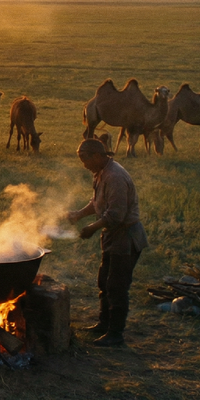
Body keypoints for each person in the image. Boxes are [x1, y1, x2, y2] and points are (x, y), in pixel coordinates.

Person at [66, 137, 148, 347]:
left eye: (85, 159)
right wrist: (78, 215)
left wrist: (91, 229)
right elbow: (97, 203)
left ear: (97, 155)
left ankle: (115, 333)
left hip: (126, 238)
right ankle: (104, 324)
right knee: (104, 282)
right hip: (113, 237)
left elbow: (115, 216)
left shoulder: (115, 177)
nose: (83, 165)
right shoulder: (101, 173)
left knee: (117, 286)